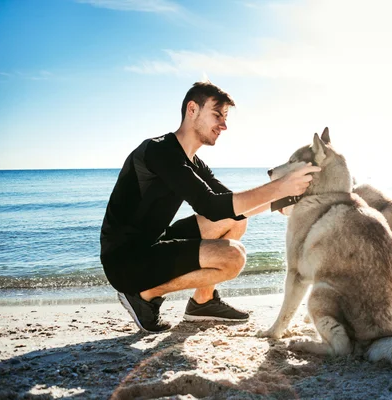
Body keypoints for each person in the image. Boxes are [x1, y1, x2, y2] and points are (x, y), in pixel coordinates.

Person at [100, 81, 320, 333]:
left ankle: (202, 301)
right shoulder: (158, 150)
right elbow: (210, 205)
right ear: (192, 109)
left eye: (225, 118)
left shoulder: (193, 162)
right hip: (126, 261)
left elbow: (229, 205)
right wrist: (281, 186)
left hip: (155, 244)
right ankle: (143, 295)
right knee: (233, 258)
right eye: (217, 115)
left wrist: (285, 200)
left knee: (235, 219)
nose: (224, 125)